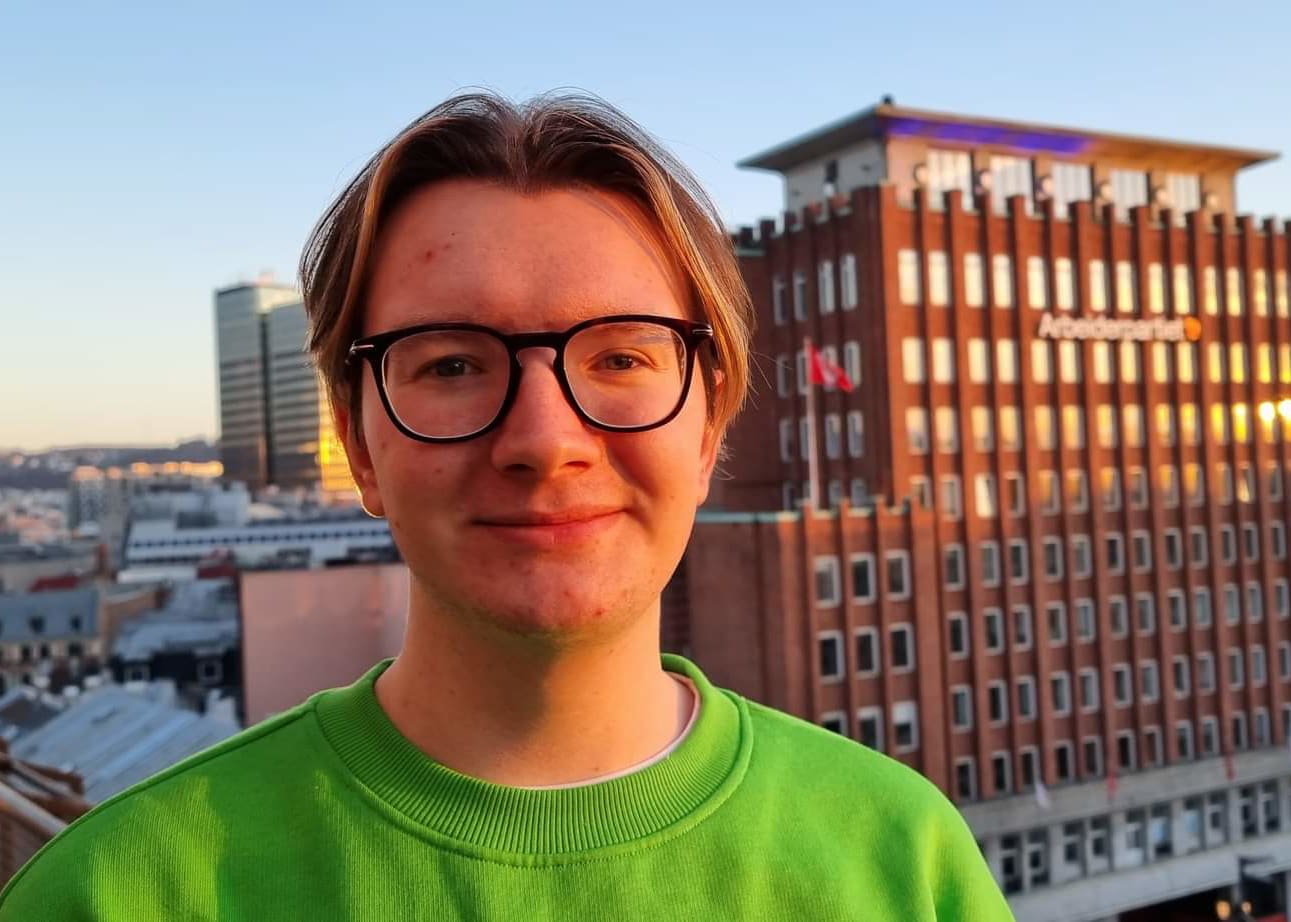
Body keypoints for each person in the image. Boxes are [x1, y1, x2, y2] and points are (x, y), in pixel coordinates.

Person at [0, 92, 1013, 920]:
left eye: (621, 357)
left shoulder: (905, 861)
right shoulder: (118, 893)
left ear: (709, 426)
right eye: (450, 364)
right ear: (358, 443)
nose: (543, 438)